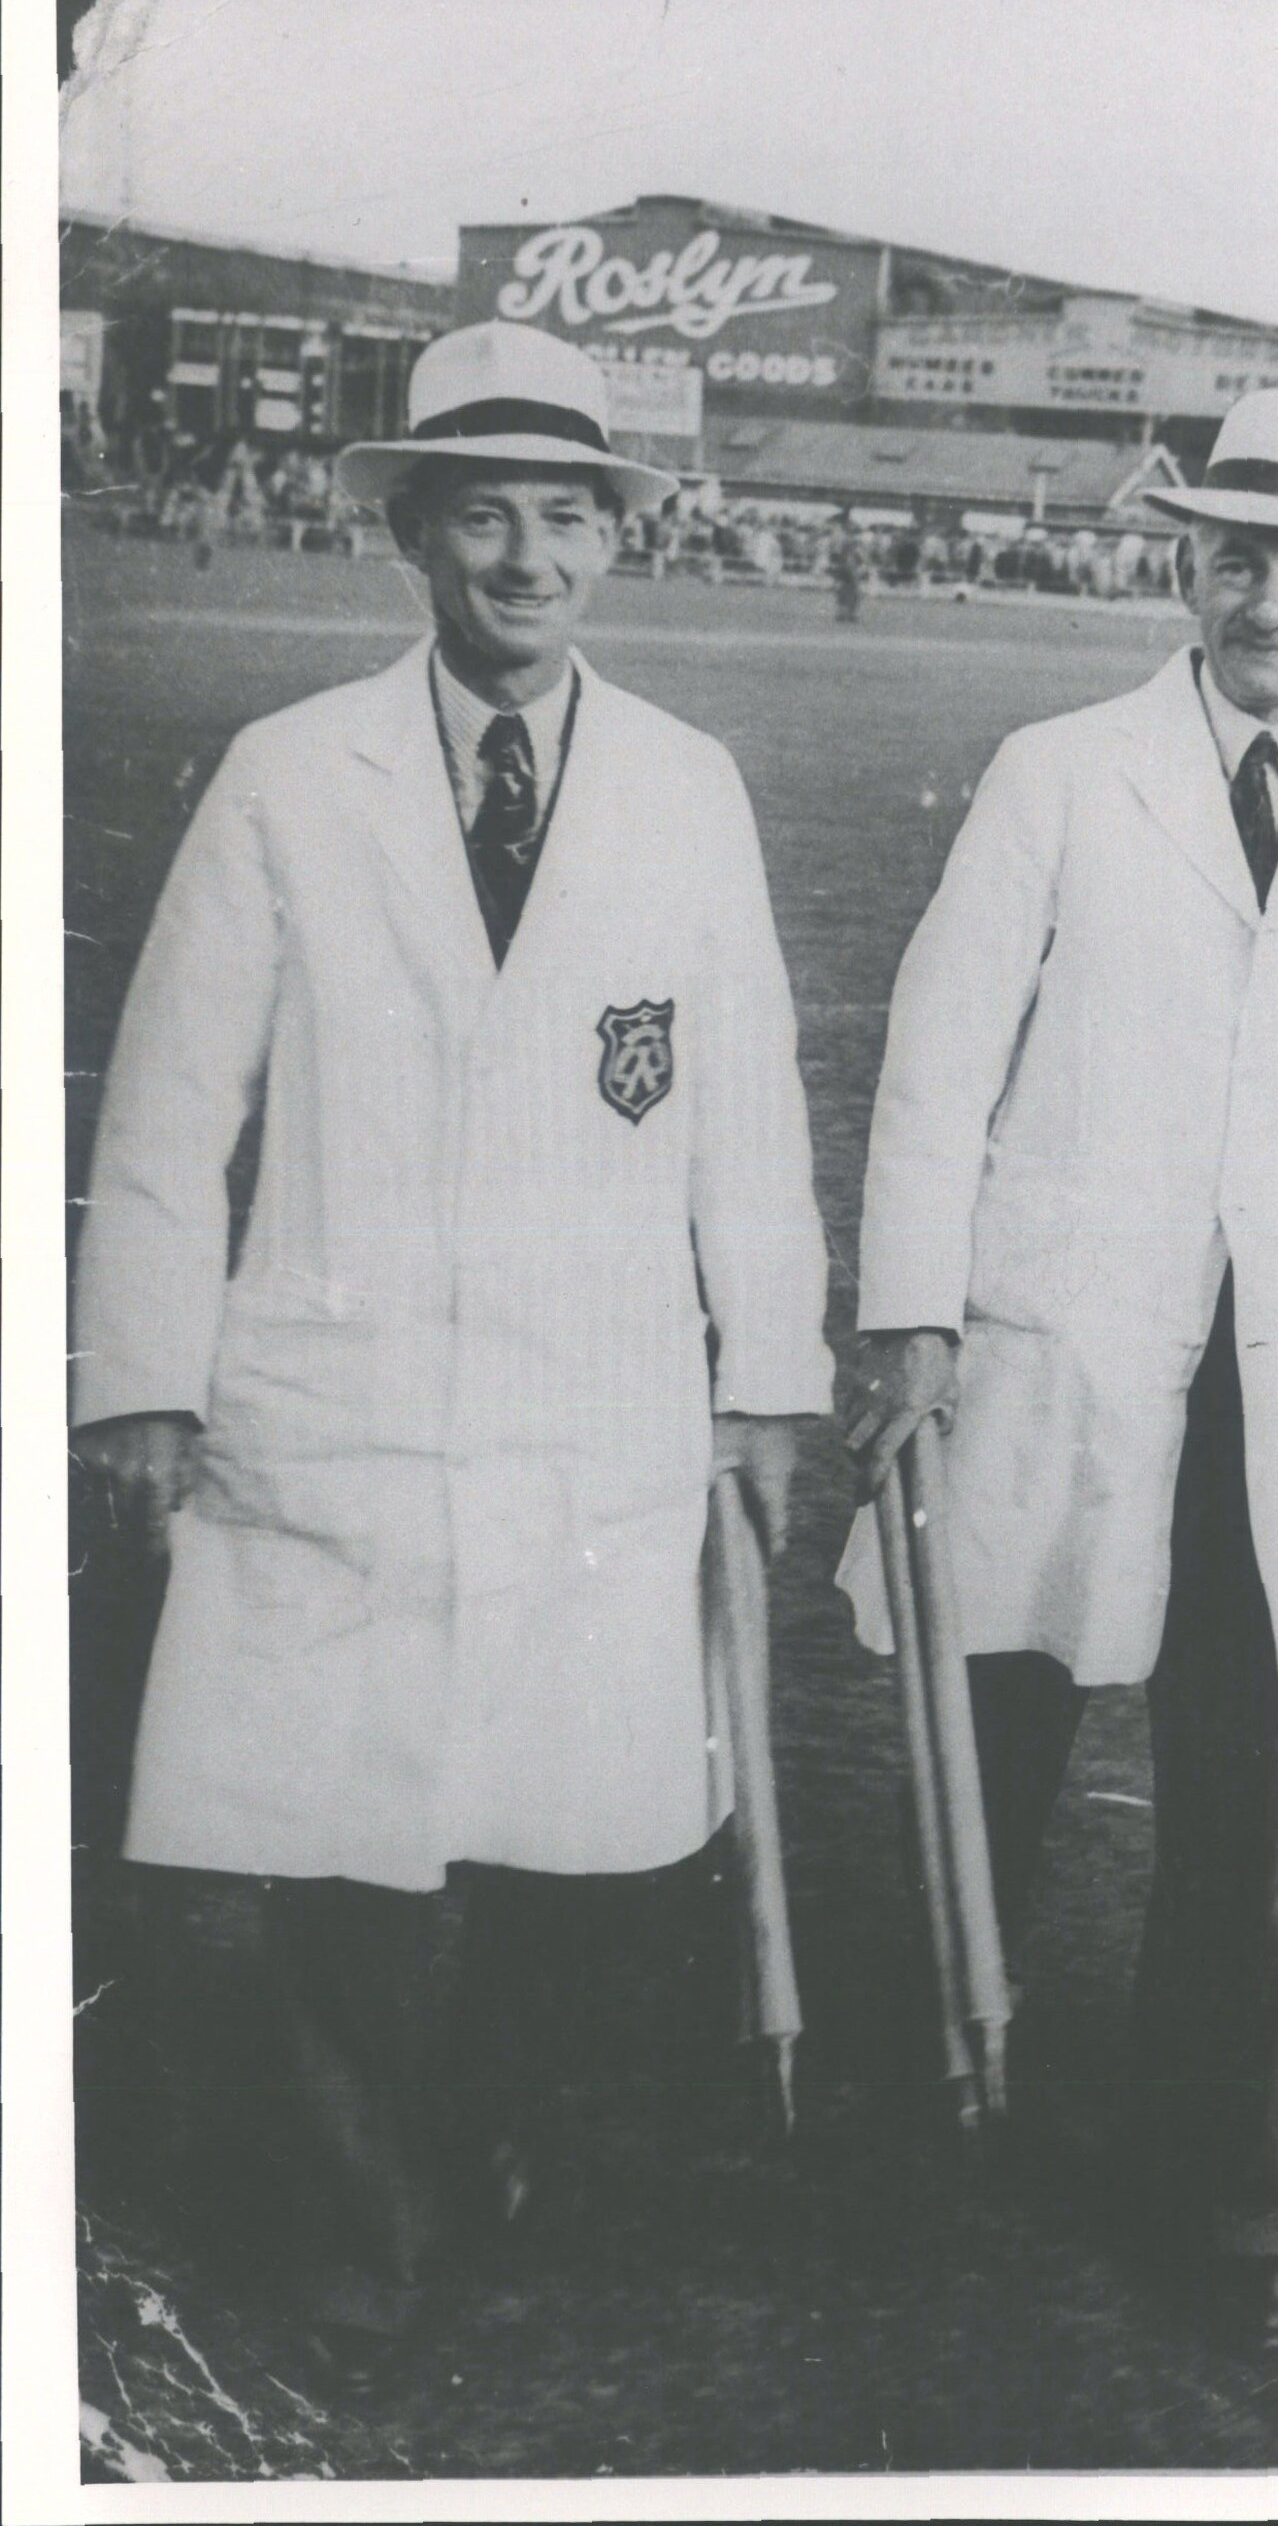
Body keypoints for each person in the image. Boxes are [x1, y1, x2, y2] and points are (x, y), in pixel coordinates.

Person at [70, 320, 833, 2380]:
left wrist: (769, 1377)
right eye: (484, 510)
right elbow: (164, 1108)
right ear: (415, 533)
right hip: (342, 1394)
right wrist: (141, 1374)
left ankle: (470, 2133)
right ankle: (354, 2215)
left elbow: (743, 1111)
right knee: (338, 1844)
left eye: (566, 512)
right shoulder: (288, 774)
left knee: (561, 1848)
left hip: (593, 1407)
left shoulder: (687, 790)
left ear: (614, 535)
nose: (527, 554)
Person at [836, 390, 1278, 2350]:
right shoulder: (1060, 771)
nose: (1268, 594)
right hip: (1069, 1345)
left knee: (1251, 1803)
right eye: (1236, 553)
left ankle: (1215, 2165)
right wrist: (912, 1311)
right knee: (999, 1748)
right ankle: (916, 2121)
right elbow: (939, 1056)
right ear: (1182, 562)